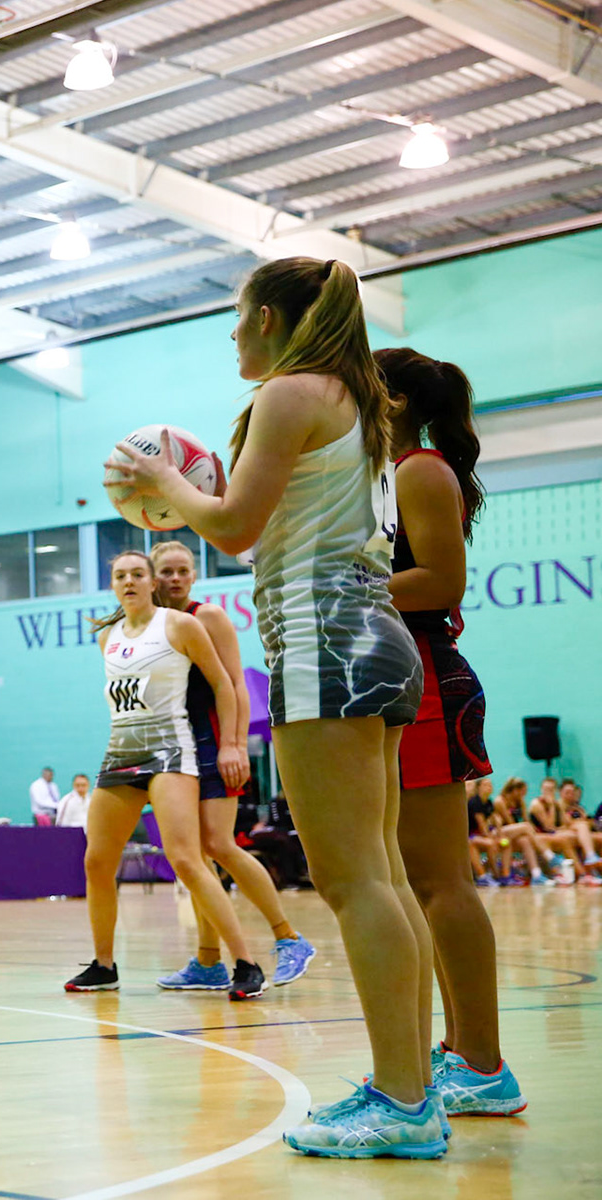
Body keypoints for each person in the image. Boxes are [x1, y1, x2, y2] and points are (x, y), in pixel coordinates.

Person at [107, 256, 441, 1157]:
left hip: (325, 636)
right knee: (384, 876)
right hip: (375, 634)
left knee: (356, 881)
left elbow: (233, 526)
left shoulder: (295, 391)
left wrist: (157, 479)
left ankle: (406, 1105)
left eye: (241, 315)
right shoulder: (356, 397)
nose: (232, 333)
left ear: (275, 319)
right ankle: (409, 1090)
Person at [372, 346, 529, 1112]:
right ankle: (465, 1051)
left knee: (441, 881)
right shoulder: (391, 473)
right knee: (418, 881)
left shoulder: (419, 471)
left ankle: (486, 1063)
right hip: (402, 675)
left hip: (428, 676)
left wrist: (337, 583)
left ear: (394, 400)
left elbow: (441, 578)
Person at [66, 550, 266, 1004]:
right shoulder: (109, 636)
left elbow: (223, 684)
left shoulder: (180, 625)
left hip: (171, 751)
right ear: (113, 585)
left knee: (186, 858)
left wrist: (233, 743)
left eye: (138, 574)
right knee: (97, 860)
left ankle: (246, 963)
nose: (130, 581)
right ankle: (104, 966)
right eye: (121, 576)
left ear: (153, 581)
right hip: (121, 752)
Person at [147, 541, 316, 994]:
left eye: (184, 570)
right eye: (167, 571)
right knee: (196, 858)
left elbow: (237, 686)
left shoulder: (209, 617)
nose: (176, 578)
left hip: (212, 742)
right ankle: (207, 962)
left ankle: (289, 937)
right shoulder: (155, 624)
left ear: (195, 575)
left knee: (221, 845)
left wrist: (235, 745)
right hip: (174, 747)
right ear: (153, 576)